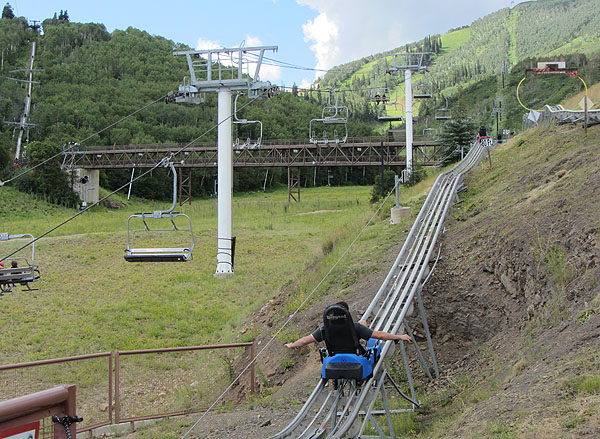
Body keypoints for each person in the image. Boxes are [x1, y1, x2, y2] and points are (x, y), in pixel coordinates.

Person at [285, 301, 411, 349]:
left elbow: (305, 340)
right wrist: (399, 337)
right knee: (362, 323)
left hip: (335, 353)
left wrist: (292, 345)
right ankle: (364, 341)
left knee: (362, 323)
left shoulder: (325, 329)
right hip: (354, 352)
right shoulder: (355, 327)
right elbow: (379, 335)